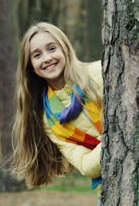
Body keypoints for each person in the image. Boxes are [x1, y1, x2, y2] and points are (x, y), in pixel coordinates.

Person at [10, 22, 103, 189]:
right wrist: (113, 141)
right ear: (31, 66)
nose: (47, 58)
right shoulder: (50, 120)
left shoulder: (98, 73)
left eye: (52, 49)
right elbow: (87, 166)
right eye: (37, 55)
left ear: (65, 49)